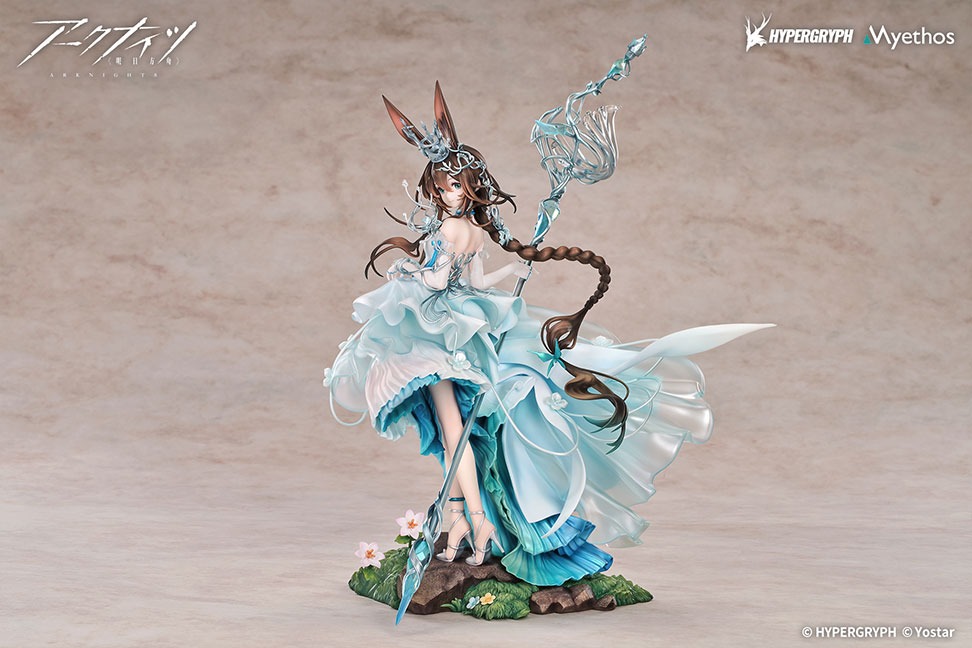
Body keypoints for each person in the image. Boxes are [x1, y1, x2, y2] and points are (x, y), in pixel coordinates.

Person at [326, 83, 770, 586]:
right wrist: (512, 276)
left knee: (453, 432)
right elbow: (477, 283)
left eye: (455, 187)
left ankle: (476, 519)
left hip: (439, 335)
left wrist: (409, 272)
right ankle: (462, 518)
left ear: (468, 187)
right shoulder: (471, 231)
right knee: (456, 430)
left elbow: (437, 282)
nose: (449, 194)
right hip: (463, 331)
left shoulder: (449, 231)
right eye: (445, 187)